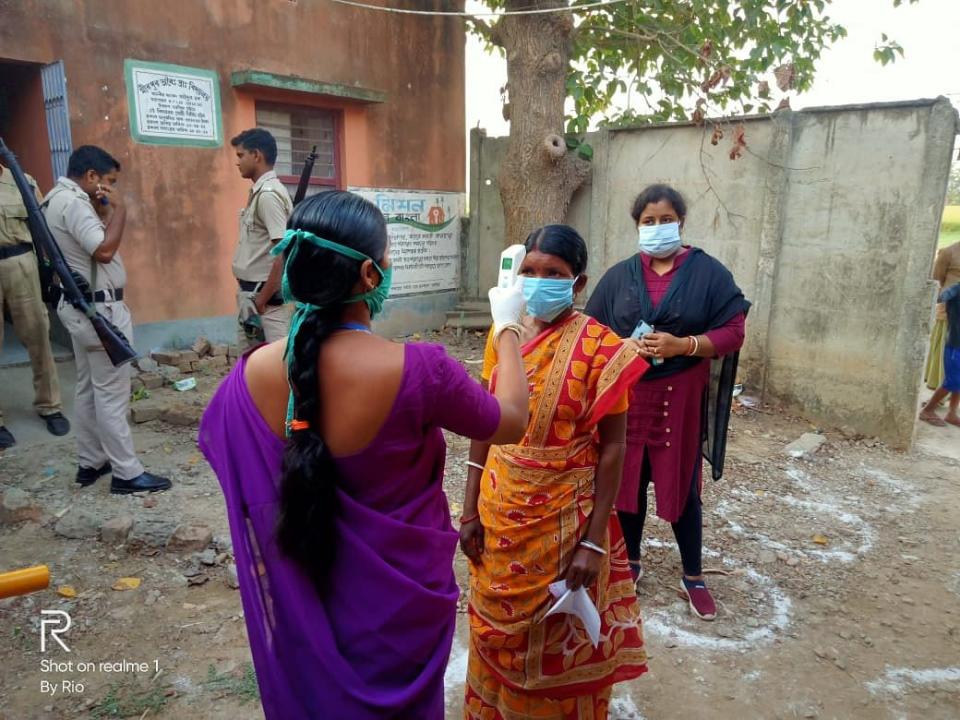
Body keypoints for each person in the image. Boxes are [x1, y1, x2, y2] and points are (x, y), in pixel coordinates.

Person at [198, 190, 530, 720]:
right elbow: (511, 421)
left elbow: (231, 455)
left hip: (307, 599)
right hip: (400, 613)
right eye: (390, 255)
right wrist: (508, 326)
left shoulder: (252, 373)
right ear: (371, 277)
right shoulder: (423, 370)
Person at [462, 225, 649, 719]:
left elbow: (614, 448)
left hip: (562, 525)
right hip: (499, 517)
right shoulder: (504, 334)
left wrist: (593, 542)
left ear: (579, 283)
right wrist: (467, 510)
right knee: (491, 635)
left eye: (553, 274)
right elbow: (484, 418)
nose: (537, 281)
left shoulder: (602, 349)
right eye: (528, 271)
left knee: (553, 642)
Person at [585, 184, 749, 621]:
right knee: (628, 482)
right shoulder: (620, 276)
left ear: (681, 221)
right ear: (637, 226)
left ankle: (693, 575)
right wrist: (623, 346)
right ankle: (631, 562)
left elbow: (734, 331)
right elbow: (591, 331)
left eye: (665, 219)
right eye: (648, 222)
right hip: (631, 396)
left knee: (682, 484)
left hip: (680, 396)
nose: (657, 228)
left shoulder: (708, 273)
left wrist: (685, 345)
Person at [42, 146, 171, 493]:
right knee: (112, 394)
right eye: (108, 182)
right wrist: (120, 209)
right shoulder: (73, 203)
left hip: (81, 308)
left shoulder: (55, 199)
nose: (111, 188)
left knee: (87, 389)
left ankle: (91, 462)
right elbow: (103, 250)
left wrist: (102, 208)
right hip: (100, 310)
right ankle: (127, 473)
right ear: (91, 177)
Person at [0, 162, 69, 448]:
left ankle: (50, 406)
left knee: (38, 334)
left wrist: (53, 269)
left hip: (22, 264)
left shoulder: (21, 179)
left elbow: (43, 226)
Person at [230, 128, 293, 349]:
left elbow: (283, 251)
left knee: (272, 371)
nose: (237, 162)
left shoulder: (267, 196)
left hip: (264, 303)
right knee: (252, 370)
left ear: (256, 155)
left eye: (240, 155)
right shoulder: (260, 192)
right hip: (254, 297)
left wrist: (262, 300)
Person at [920, 280, 960, 427]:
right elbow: (943, 295)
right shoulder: (957, 289)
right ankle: (927, 410)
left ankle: (952, 413)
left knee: (958, 382)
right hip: (955, 345)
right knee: (953, 382)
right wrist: (939, 295)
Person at [925, 240, 960, 392]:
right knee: (946, 355)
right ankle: (939, 394)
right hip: (949, 311)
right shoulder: (948, 252)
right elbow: (937, 280)